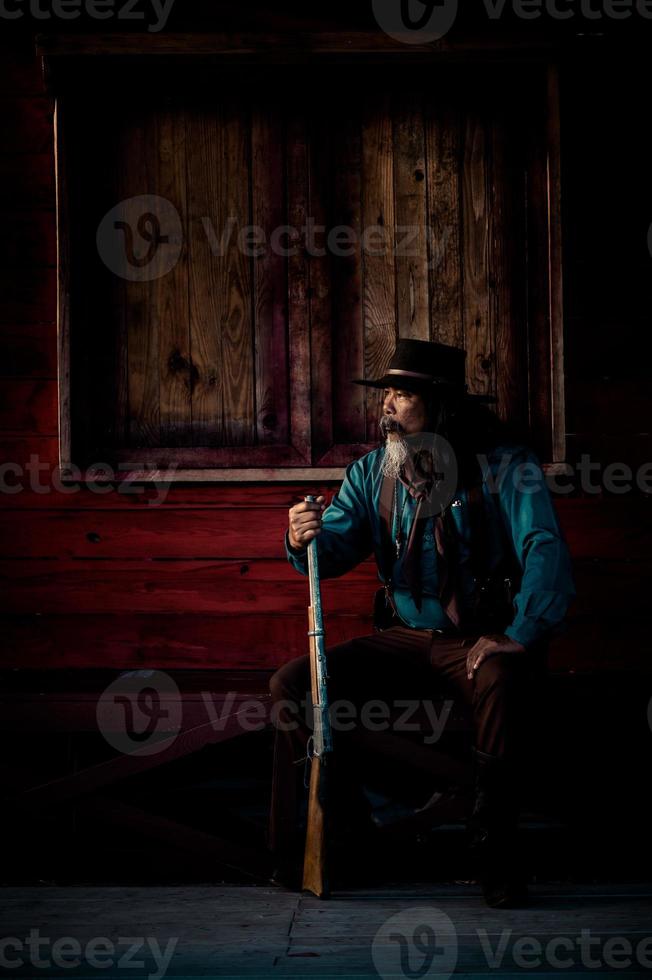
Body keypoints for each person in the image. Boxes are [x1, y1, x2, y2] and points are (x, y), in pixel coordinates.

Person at [267, 338, 575, 908]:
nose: (386, 407)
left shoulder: (508, 467)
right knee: (291, 685)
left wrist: (521, 636)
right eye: (385, 394)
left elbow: (544, 550)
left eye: (402, 395)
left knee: (505, 680)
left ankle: (494, 849)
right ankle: (328, 840)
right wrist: (300, 534)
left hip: (481, 642)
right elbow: (332, 549)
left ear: (441, 405)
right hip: (407, 641)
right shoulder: (371, 473)